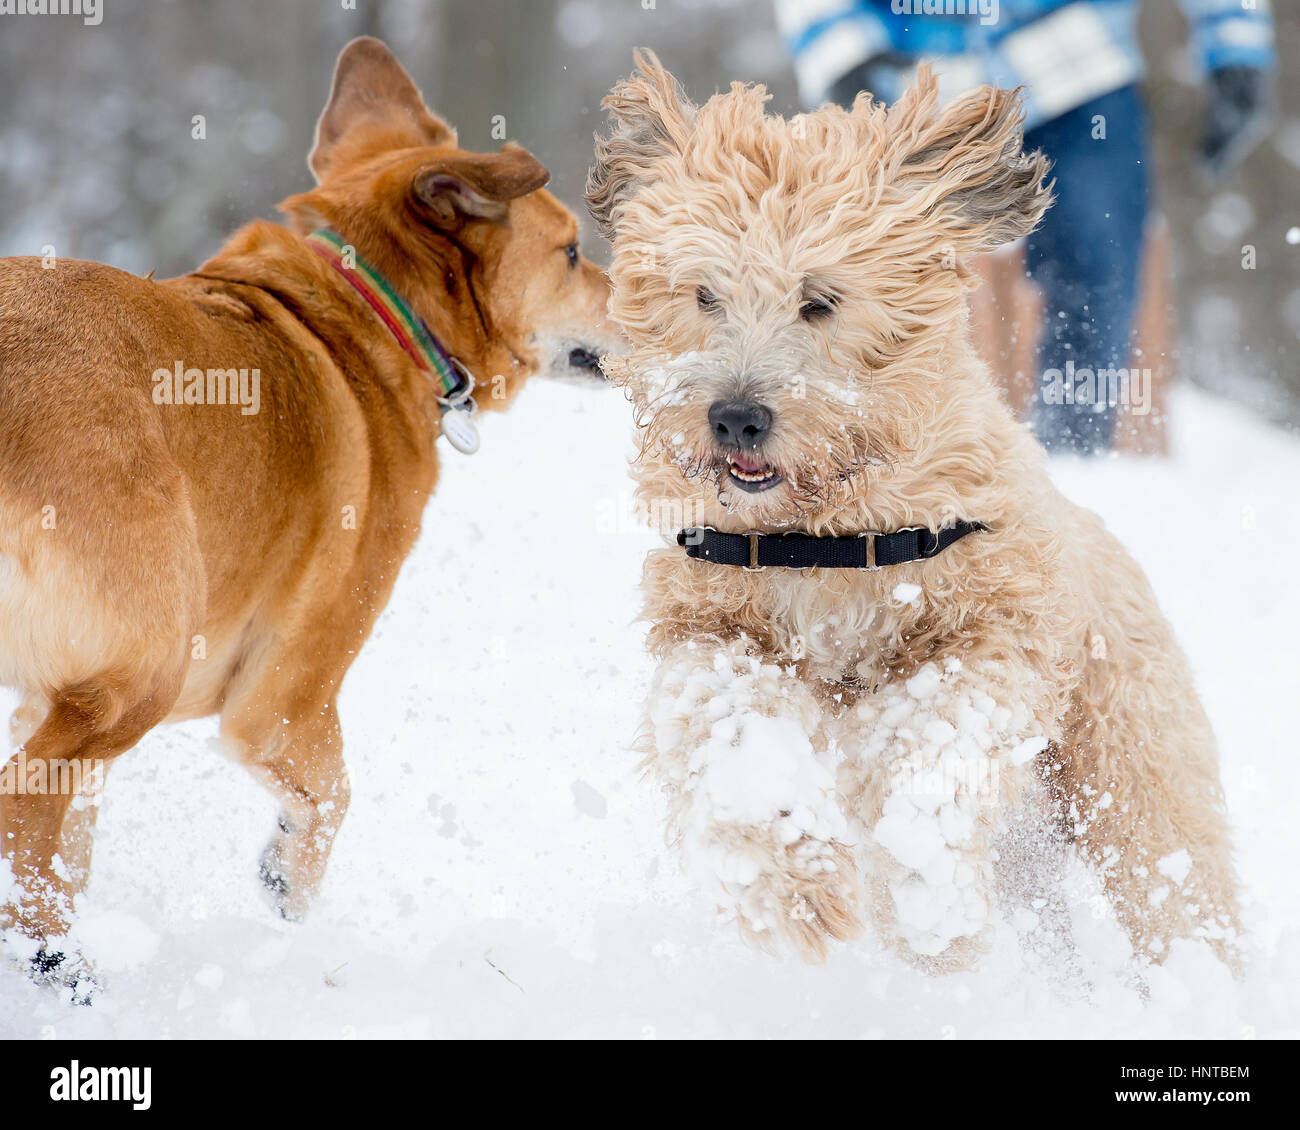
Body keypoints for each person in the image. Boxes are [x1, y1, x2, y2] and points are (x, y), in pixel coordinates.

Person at [773, 0, 1277, 454]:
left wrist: (1235, 41)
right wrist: (838, 48)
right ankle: (892, 459)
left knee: (1099, 264)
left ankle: (1073, 453)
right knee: (873, 284)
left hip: (1079, 58)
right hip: (902, 70)